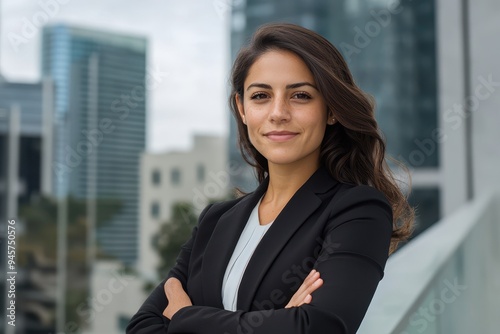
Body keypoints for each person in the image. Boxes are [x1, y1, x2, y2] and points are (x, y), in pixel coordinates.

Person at [127, 23, 414, 334]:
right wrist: (278, 322)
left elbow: (319, 327)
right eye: (261, 95)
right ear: (242, 108)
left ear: (331, 110)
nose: (278, 112)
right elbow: (141, 328)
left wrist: (184, 317)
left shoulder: (358, 211)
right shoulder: (216, 220)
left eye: (301, 96)